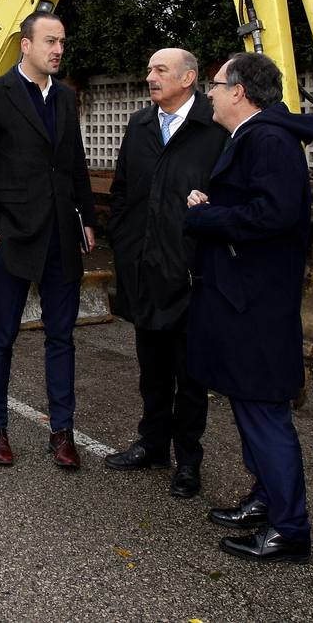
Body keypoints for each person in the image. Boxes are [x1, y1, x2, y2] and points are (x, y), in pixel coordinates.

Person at [183, 51, 313, 564]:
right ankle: (265, 499)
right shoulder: (252, 136)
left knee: (264, 413)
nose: (210, 93)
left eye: (216, 85)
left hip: (257, 304)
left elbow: (276, 213)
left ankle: (290, 528)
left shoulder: (268, 139)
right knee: (248, 406)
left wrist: (208, 216)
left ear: (239, 91)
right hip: (241, 299)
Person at [0, 10, 97, 469]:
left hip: (62, 233)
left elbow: (75, 162)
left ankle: (62, 433)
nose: (58, 49)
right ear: (25, 45)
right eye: (49, 41)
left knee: (61, 337)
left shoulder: (64, 97)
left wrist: (87, 218)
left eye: (62, 41)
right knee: (1, 336)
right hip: (15, 235)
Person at [105, 48, 227, 500]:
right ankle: (152, 445)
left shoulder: (213, 129)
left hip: (191, 276)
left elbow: (228, 198)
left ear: (189, 78)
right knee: (152, 369)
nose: (150, 77)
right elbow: (123, 190)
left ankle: (188, 461)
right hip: (143, 269)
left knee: (190, 377)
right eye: (150, 68)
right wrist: (123, 241)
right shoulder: (139, 126)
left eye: (160, 70)